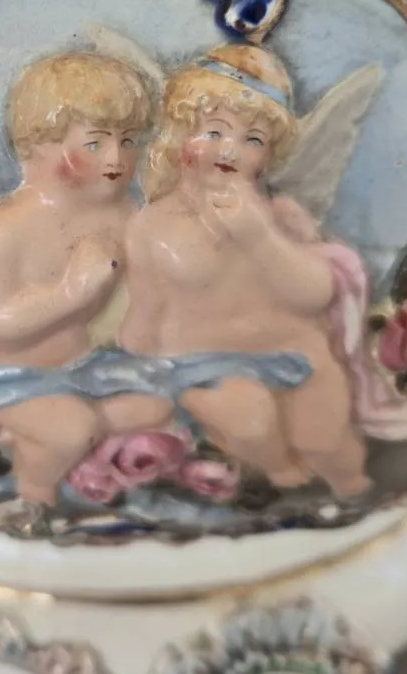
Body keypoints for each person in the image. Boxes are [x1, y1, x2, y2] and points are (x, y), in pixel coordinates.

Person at [119, 44, 372, 496]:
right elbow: (144, 315)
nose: (230, 149)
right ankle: (281, 478)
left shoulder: (280, 215)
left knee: (326, 437)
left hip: (294, 349)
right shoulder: (152, 225)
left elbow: (316, 294)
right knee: (253, 425)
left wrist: (261, 237)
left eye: (252, 140)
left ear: (268, 156)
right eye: (214, 131)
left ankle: (351, 490)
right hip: (205, 363)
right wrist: (139, 369)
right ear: (180, 136)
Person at [0, 51, 157, 504]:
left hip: (80, 366)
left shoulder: (123, 214)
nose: (116, 157)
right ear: (37, 146)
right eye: (95, 143)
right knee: (73, 430)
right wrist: (70, 293)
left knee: (153, 407)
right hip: (2, 377)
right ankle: (34, 494)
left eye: (128, 141)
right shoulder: (3, 229)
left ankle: (89, 476)